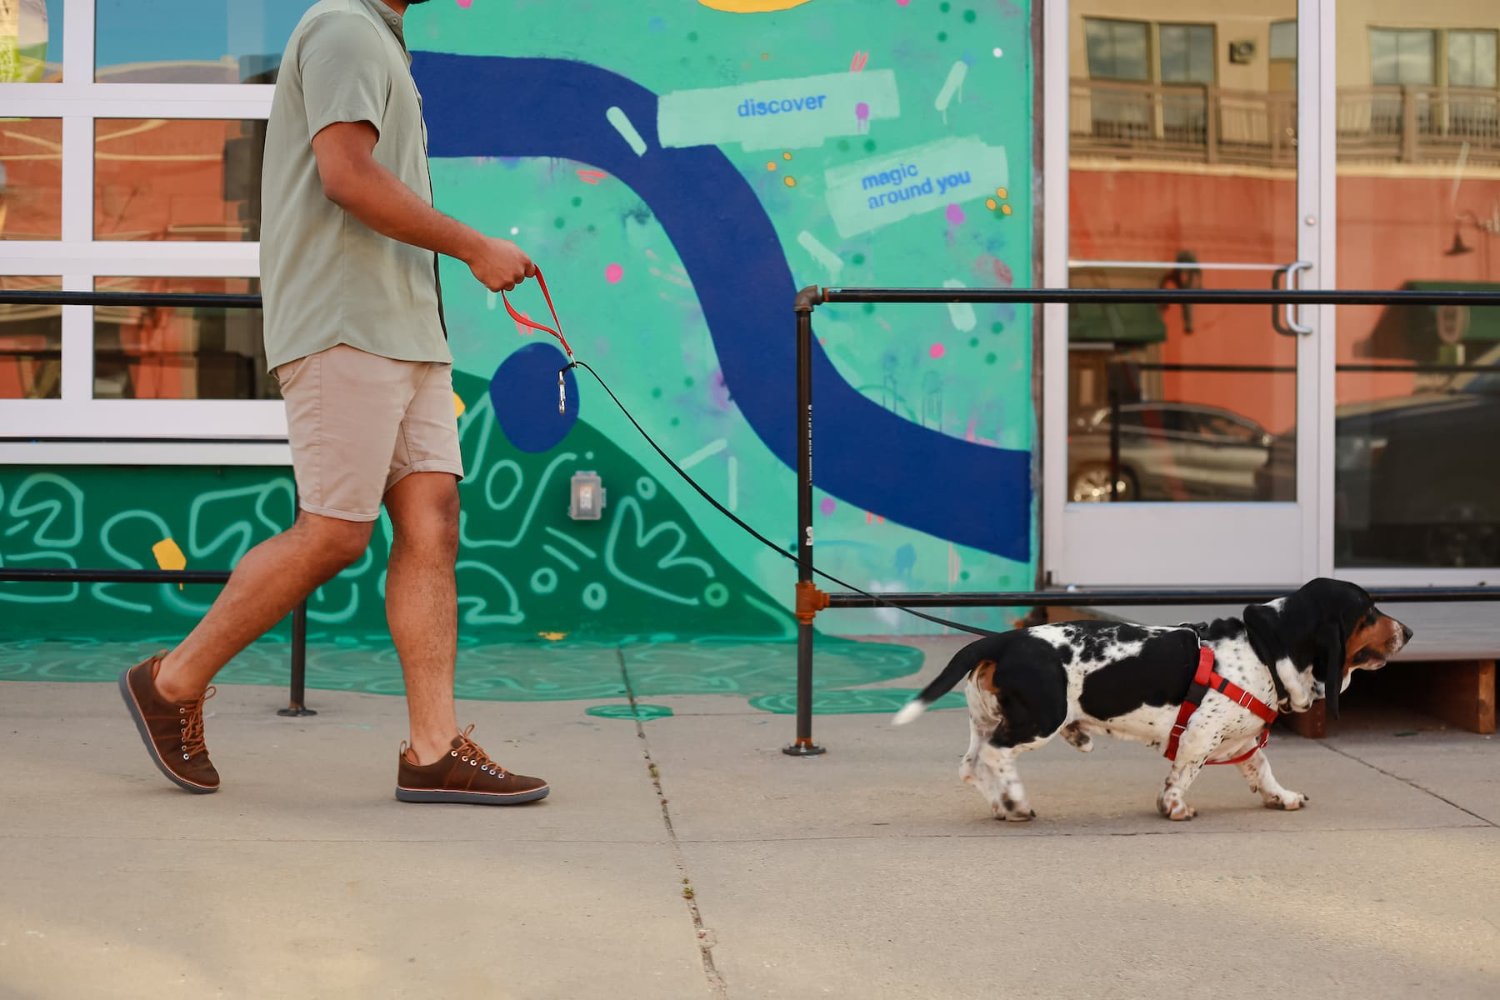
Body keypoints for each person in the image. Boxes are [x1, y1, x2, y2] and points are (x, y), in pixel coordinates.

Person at [118, 0, 549, 806]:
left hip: (406, 329)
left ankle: (432, 749)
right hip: (345, 323)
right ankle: (171, 683)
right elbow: (345, 176)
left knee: (432, 521)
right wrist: (473, 246)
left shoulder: (382, 40)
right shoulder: (343, 28)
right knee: (336, 533)